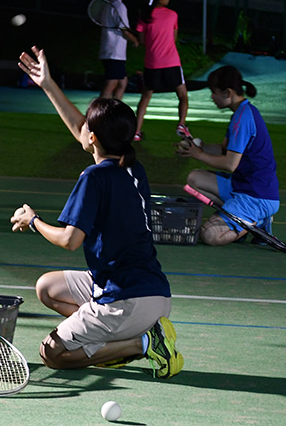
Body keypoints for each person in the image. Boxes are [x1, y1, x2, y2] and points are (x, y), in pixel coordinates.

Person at [10, 45, 183, 378]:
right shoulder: (132, 165)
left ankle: (143, 344)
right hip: (152, 291)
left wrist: (33, 221)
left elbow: (70, 241)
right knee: (47, 287)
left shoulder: (95, 177)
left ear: (93, 138)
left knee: (53, 354)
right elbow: (82, 128)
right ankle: (112, 336)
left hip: (127, 299)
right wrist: (47, 84)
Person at [177, 65, 279, 245]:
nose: (211, 97)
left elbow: (230, 164)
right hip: (241, 185)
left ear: (228, 92)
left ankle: (255, 222)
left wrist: (199, 154)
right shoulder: (240, 113)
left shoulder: (244, 117)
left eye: (214, 92)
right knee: (194, 179)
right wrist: (196, 146)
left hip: (256, 195)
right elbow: (225, 151)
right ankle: (241, 217)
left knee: (209, 235)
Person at [133, 0, 191, 142]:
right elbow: (174, 38)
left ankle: (136, 132)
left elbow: (143, 41)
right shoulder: (173, 15)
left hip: (152, 63)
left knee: (145, 97)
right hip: (171, 61)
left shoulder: (144, 16)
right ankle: (181, 125)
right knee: (183, 96)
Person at [98, 0, 139, 100]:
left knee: (122, 82)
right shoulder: (119, 6)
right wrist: (135, 40)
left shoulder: (109, 4)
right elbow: (124, 31)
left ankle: (115, 112)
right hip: (114, 53)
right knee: (111, 84)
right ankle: (96, 115)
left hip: (110, 51)